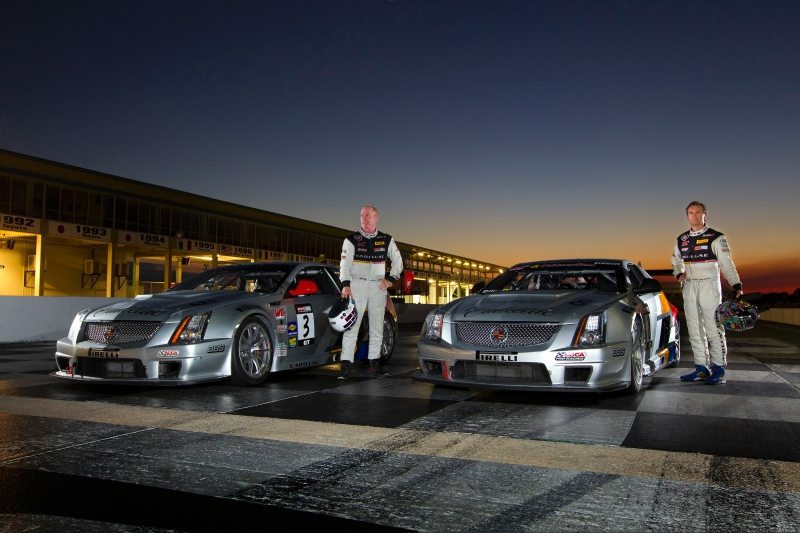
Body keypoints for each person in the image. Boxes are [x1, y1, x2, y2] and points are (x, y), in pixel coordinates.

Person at [672, 201, 742, 385]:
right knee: (694, 329)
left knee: (713, 326)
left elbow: (727, 263)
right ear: (687, 216)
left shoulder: (716, 237)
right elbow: (676, 260)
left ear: (705, 215)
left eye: (698, 213)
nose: (694, 216)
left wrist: (736, 284)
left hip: (709, 285)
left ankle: (718, 367)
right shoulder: (681, 239)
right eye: (690, 213)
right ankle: (701, 368)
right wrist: (678, 273)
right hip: (689, 286)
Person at [337, 204, 403, 379]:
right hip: (356, 285)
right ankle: (345, 364)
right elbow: (344, 265)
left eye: (367, 215)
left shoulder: (387, 239)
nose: (364, 218)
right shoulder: (351, 240)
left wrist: (391, 280)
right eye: (361, 215)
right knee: (352, 325)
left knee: (377, 326)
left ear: (376, 217)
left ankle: (375, 363)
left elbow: (398, 262)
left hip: (378, 287)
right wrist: (345, 284)